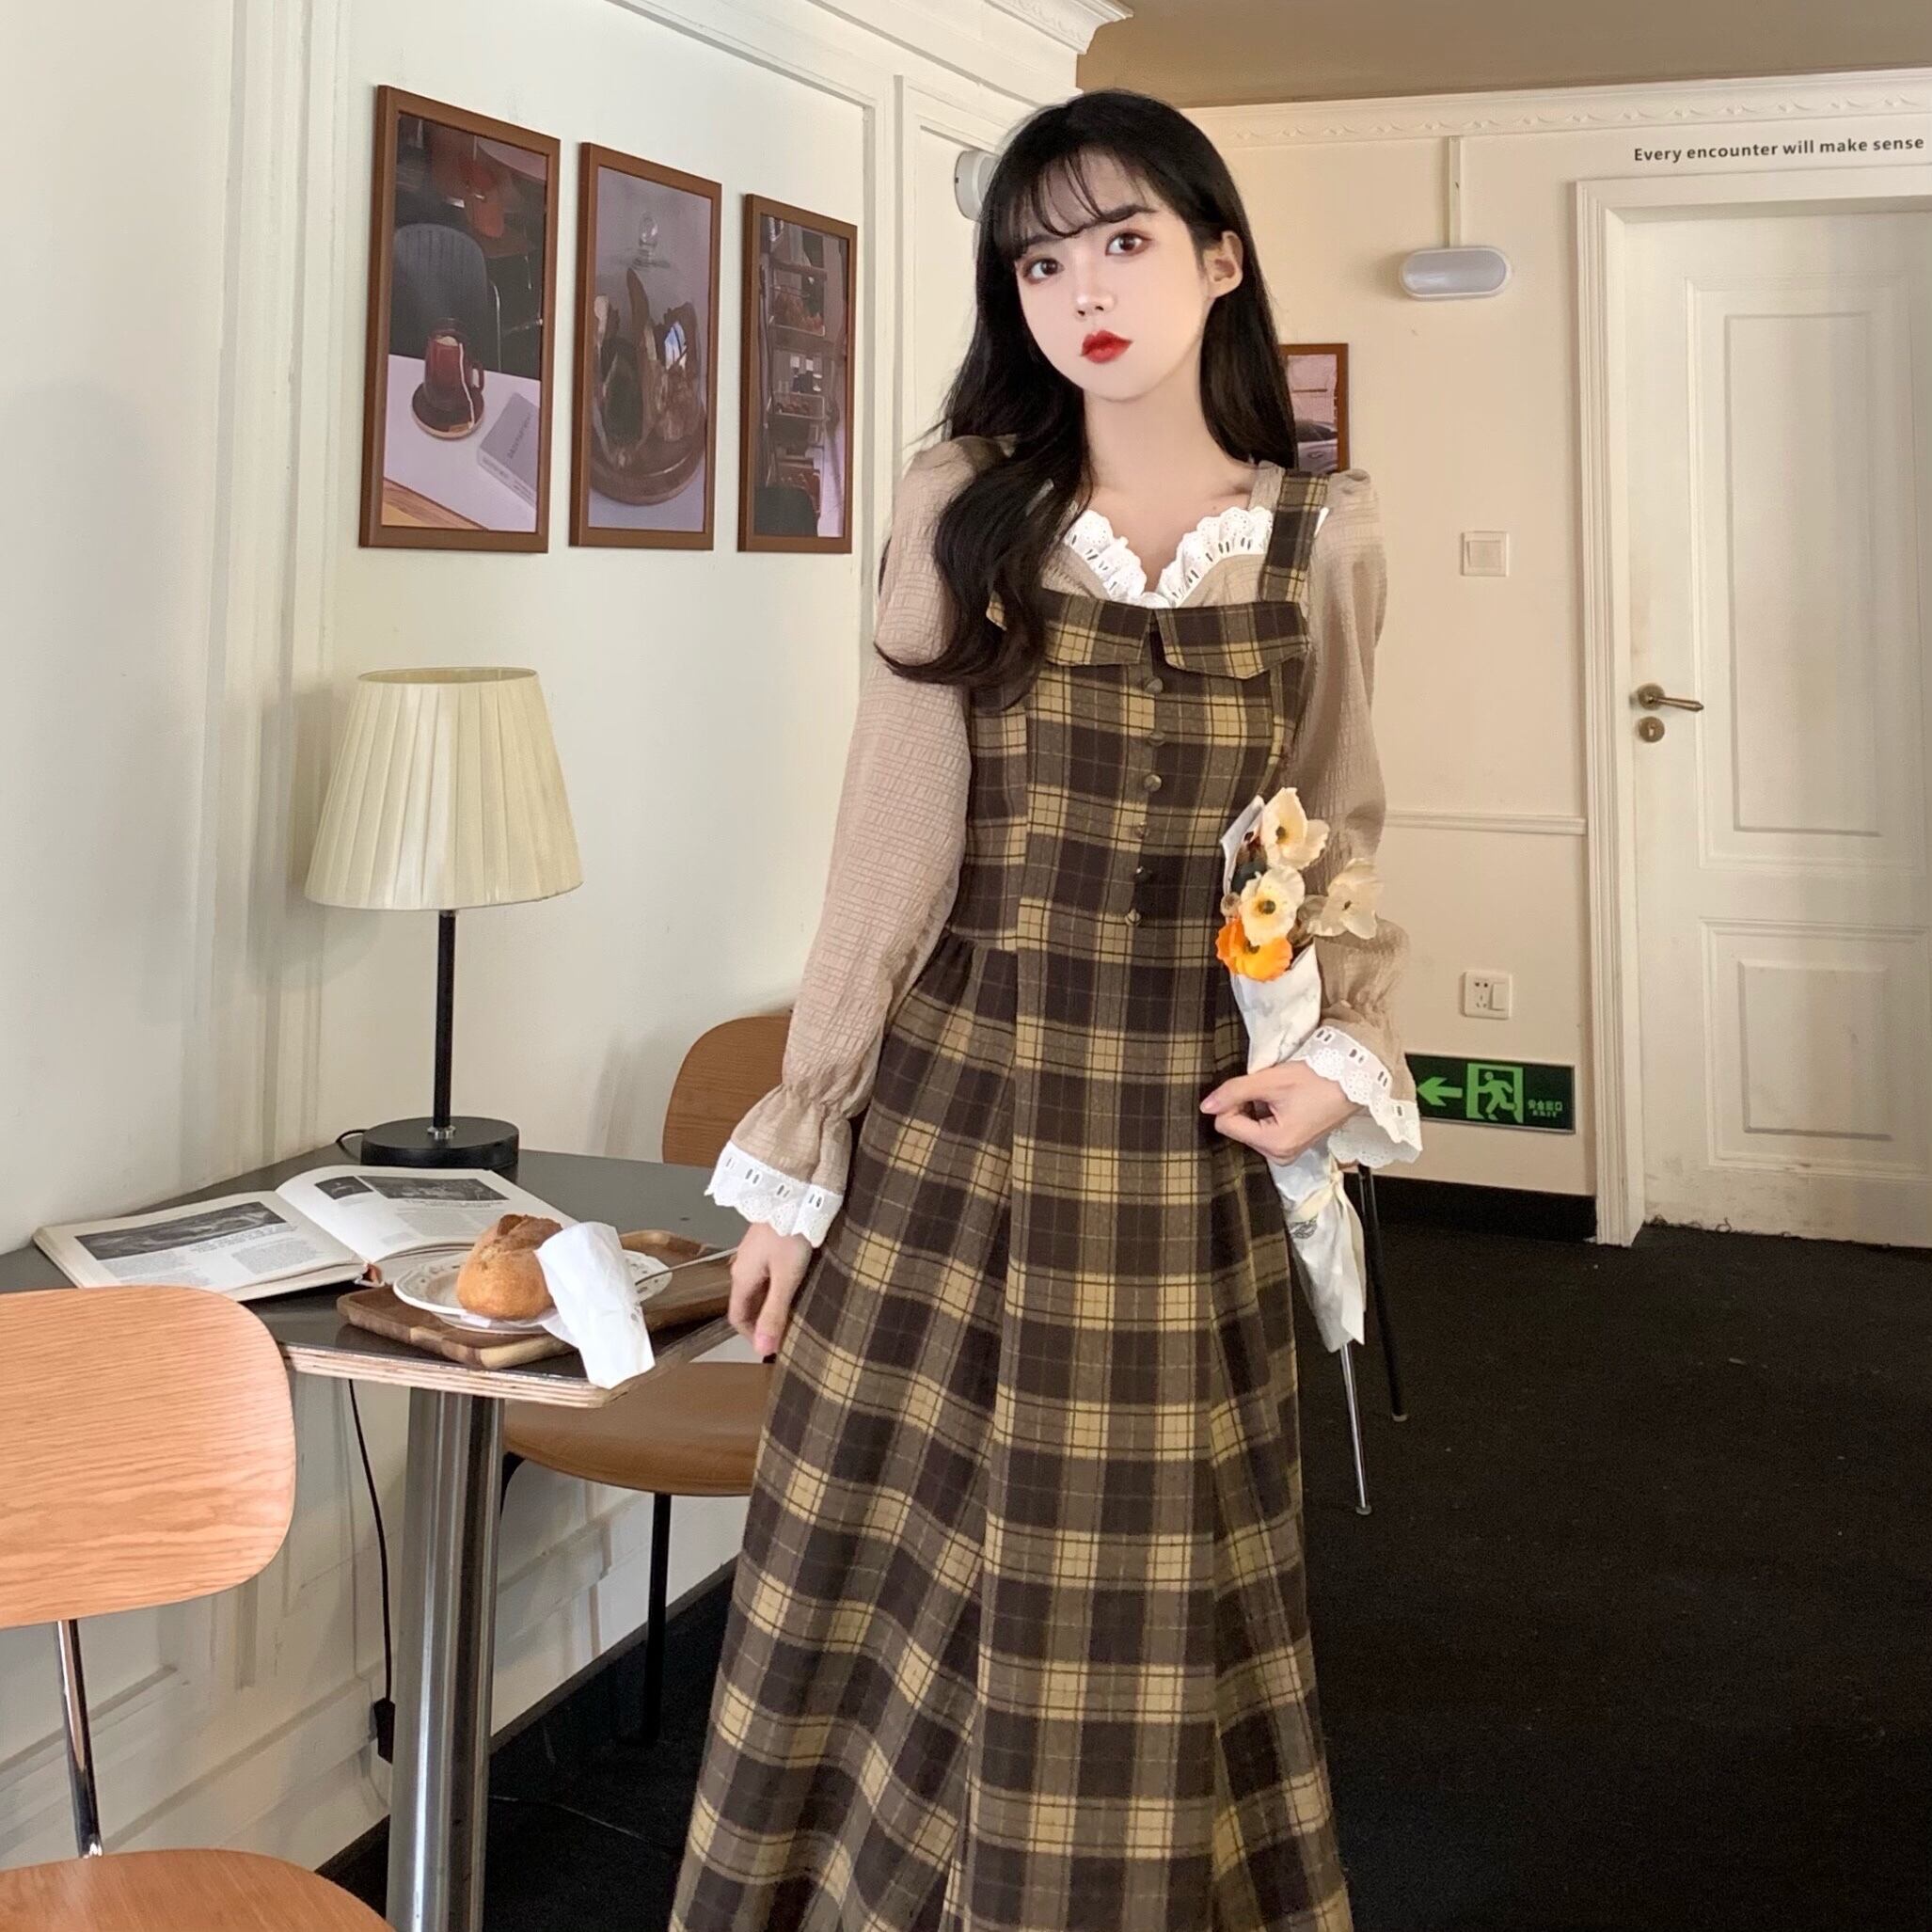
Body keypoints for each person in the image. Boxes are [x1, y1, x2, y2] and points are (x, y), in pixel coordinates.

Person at [671, 87, 1421, 1932]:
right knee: (886, 1577)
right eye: (1037, 260)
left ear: (1218, 260)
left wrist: (1338, 1057)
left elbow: (1334, 828)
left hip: (1180, 1149)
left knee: (1133, 1609)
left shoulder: (1321, 535)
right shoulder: (962, 503)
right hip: (954, 1120)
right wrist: (798, 1162)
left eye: (1123, 242)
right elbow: (887, 854)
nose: (1081, 288)